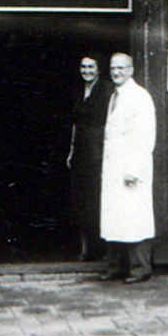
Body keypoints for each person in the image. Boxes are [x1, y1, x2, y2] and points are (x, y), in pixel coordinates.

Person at [99, 52, 156, 284]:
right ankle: (116, 266)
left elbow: (145, 136)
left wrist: (134, 169)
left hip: (131, 169)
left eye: (121, 68)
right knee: (115, 217)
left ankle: (140, 268)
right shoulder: (115, 96)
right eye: (113, 68)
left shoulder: (140, 97)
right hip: (114, 168)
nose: (116, 72)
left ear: (131, 70)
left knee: (134, 217)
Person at [67, 55, 111, 261]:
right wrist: (71, 150)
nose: (87, 71)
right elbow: (75, 123)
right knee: (81, 200)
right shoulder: (79, 91)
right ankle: (86, 249)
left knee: (98, 199)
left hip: (99, 150)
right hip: (82, 152)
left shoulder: (107, 90)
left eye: (91, 67)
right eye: (83, 66)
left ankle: (105, 250)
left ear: (99, 69)